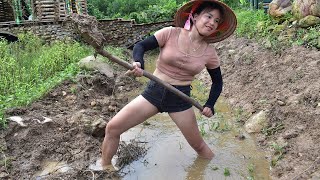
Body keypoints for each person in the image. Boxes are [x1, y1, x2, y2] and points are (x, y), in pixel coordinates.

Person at [100, 0, 237, 170]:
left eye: (217, 21)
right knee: (113, 128)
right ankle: (105, 169)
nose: (212, 23)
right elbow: (141, 46)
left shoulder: (210, 53)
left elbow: (218, 81)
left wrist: (210, 104)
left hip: (180, 99)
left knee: (200, 147)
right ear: (194, 17)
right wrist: (138, 63)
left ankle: (220, 170)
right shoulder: (170, 33)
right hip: (154, 93)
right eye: (208, 16)